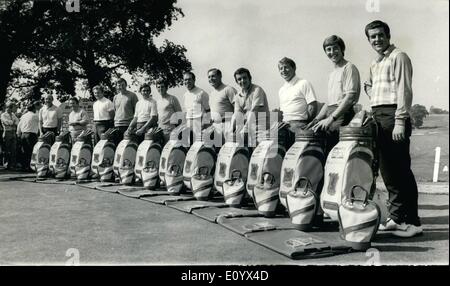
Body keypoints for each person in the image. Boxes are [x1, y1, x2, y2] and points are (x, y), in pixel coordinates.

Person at [364, 20, 422, 237]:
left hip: (393, 115)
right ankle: (397, 218)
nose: (376, 39)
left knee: (401, 171)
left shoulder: (399, 56)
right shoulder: (375, 62)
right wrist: (369, 90)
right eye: (372, 37)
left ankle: (413, 222)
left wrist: (400, 120)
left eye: (380, 35)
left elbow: (404, 90)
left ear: (388, 35)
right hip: (378, 116)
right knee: (388, 173)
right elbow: (372, 87)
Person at [309, 36, 360, 155]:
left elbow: (349, 98)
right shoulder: (332, 74)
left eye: (335, 48)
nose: (332, 52)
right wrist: (316, 119)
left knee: (333, 154)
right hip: (331, 114)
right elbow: (329, 102)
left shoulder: (349, 67)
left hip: (342, 115)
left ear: (342, 49)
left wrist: (331, 119)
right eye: (328, 49)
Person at [278, 57, 318, 136]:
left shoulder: (303, 83)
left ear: (294, 68)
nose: (283, 70)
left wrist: (305, 123)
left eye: (286, 67)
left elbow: (312, 107)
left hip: (299, 124)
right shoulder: (281, 90)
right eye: (281, 68)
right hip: (284, 125)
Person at [231, 67, 270, 147]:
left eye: (244, 78)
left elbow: (254, 112)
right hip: (246, 125)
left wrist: (245, 130)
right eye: (239, 79)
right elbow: (237, 115)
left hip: (260, 126)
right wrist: (232, 131)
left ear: (250, 78)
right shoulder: (237, 96)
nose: (242, 81)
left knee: (259, 147)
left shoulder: (257, 90)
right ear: (236, 82)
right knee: (234, 146)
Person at [207, 68, 236, 141]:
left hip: (227, 125)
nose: (211, 79)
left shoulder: (228, 89)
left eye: (213, 76)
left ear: (220, 76)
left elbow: (238, 108)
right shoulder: (211, 94)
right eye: (209, 77)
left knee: (228, 150)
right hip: (215, 127)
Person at [183, 71, 210, 139]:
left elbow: (208, 110)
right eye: (185, 80)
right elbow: (186, 112)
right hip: (189, 124)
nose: (187, 81)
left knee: (199, 145)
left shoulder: (201, 93)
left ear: (194, 80)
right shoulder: (185, 95)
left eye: (189, 79)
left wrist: (205, 124)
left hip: (200, 123)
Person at [155, 78, 183, 144]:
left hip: (171, 129)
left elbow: (180, 115)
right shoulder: (157, 101)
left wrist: (179, 130)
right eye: (158, 87)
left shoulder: (172, 98)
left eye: (162, 87)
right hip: (160, 129)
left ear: (166, 88)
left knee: (170, 150)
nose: (160, 89)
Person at [113, 78, 138, 142]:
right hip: (117, 125)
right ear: (116, 86)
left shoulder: (132, 95)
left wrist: (133, 125)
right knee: (118, 146)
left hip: (128, 125)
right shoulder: (115, 97)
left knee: (128, 146)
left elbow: (137, 112)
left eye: (123, 85)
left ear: (126, 85)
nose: (121, 87)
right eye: (119, 85)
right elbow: (115, 111)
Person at [16, 102, 40, 171]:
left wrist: (18, 134)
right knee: (31, 151)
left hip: (23, 134)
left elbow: (19, 125)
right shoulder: (35, 116)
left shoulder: (23, 116)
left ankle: (24, 166)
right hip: (31, 135)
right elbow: (40, 124)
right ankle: (30, 167)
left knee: (24, 150)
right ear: (34, 109)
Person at [1, 102, 19, 170]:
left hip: (13, 132)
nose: (14, 109)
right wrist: (12, 122)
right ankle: (6, 163)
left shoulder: (13, 114)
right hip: (7, 132)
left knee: (13, 149)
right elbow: (6, 122)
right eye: (13, 107)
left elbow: (17, 122)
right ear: (9, 107)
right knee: (6, 148)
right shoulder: (3, 115)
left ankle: (12, 164)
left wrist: (12, 123)